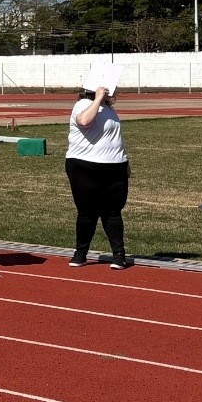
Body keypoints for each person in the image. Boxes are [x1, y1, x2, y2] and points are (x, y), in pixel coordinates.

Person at [66, 86, 131, 270]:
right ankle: (81, 253)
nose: (114, 92)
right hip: (84, 166)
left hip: (114, 166)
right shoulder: (82, 104)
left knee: (113, 212)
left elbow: (115, 138)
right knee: (87, 212)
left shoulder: (109, 110)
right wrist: (97, 99)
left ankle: (119, 255)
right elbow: (84, 121)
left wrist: (125, 162)